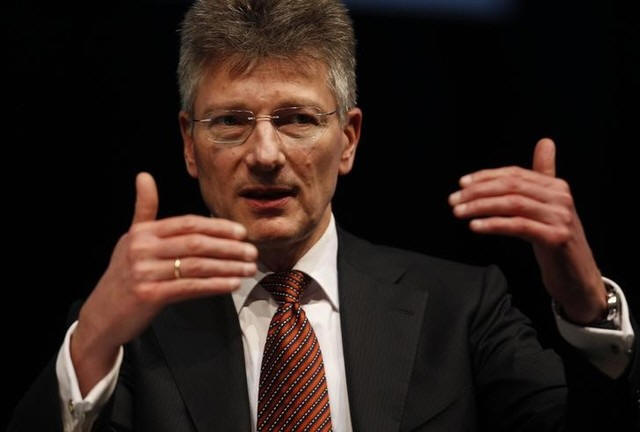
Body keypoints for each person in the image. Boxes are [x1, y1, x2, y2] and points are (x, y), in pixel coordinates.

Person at [9, 0, 638, 430]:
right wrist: (94, 339)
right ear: (188, 146)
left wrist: (588, 308)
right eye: (230, 121)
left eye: (297, 119)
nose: (265, 154)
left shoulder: (461, 307)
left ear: (349, 140)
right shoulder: (130, 328)